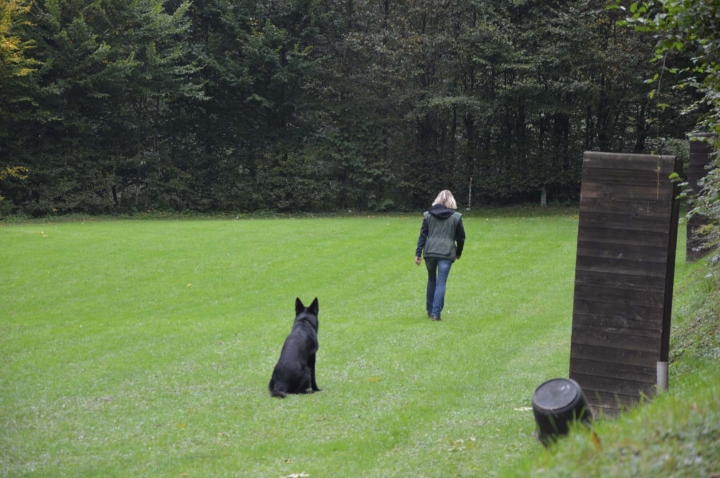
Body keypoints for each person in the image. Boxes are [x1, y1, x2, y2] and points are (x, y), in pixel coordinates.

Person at [414, 190, 466, 321]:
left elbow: (423, 234)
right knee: (441, 281)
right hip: (447, 252)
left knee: (432, 279)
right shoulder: (456, 217)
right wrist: (459, 252)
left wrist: (418, 253)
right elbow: (461, 238)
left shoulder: (427, 215)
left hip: (430, 251)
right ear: (451, 201)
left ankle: (430, 309)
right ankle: (436, 313)